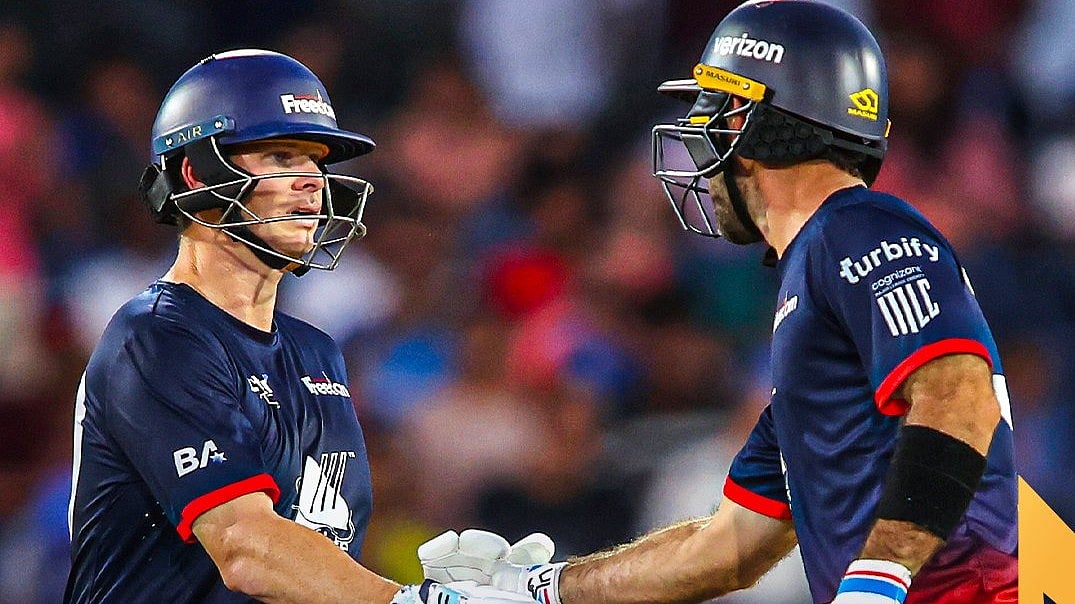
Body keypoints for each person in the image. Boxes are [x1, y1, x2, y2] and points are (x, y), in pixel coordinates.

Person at [418, 2, 1018, 603]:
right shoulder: (818, 274)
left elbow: (961, 395)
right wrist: (541, 588)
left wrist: (878, 578)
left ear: (746, 120)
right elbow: (727, 548)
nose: (698, 150)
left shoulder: (859, 227)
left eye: (711, 108)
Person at [64, 48, 542, 604]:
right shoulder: (155, 336)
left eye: (316, 162)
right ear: (197, 171)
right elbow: (246, 548)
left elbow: (321, 553)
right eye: (282, 157)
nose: (312, 182)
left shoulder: (317, 352)